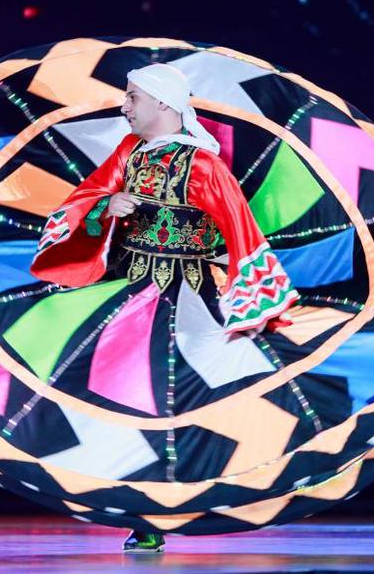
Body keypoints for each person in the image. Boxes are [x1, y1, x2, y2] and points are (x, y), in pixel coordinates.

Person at [30, 63, 299, 552]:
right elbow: (86, 198)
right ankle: (132, 504)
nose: (124, 106)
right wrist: (105, 208)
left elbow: (241, 231)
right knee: (108, 393)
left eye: (132, 97)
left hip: (185, 298)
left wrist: (255, 303)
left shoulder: (204, 166)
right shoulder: (130, 152)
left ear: (162, 102)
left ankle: (170, 508)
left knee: (171, 403)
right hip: (128, 291)